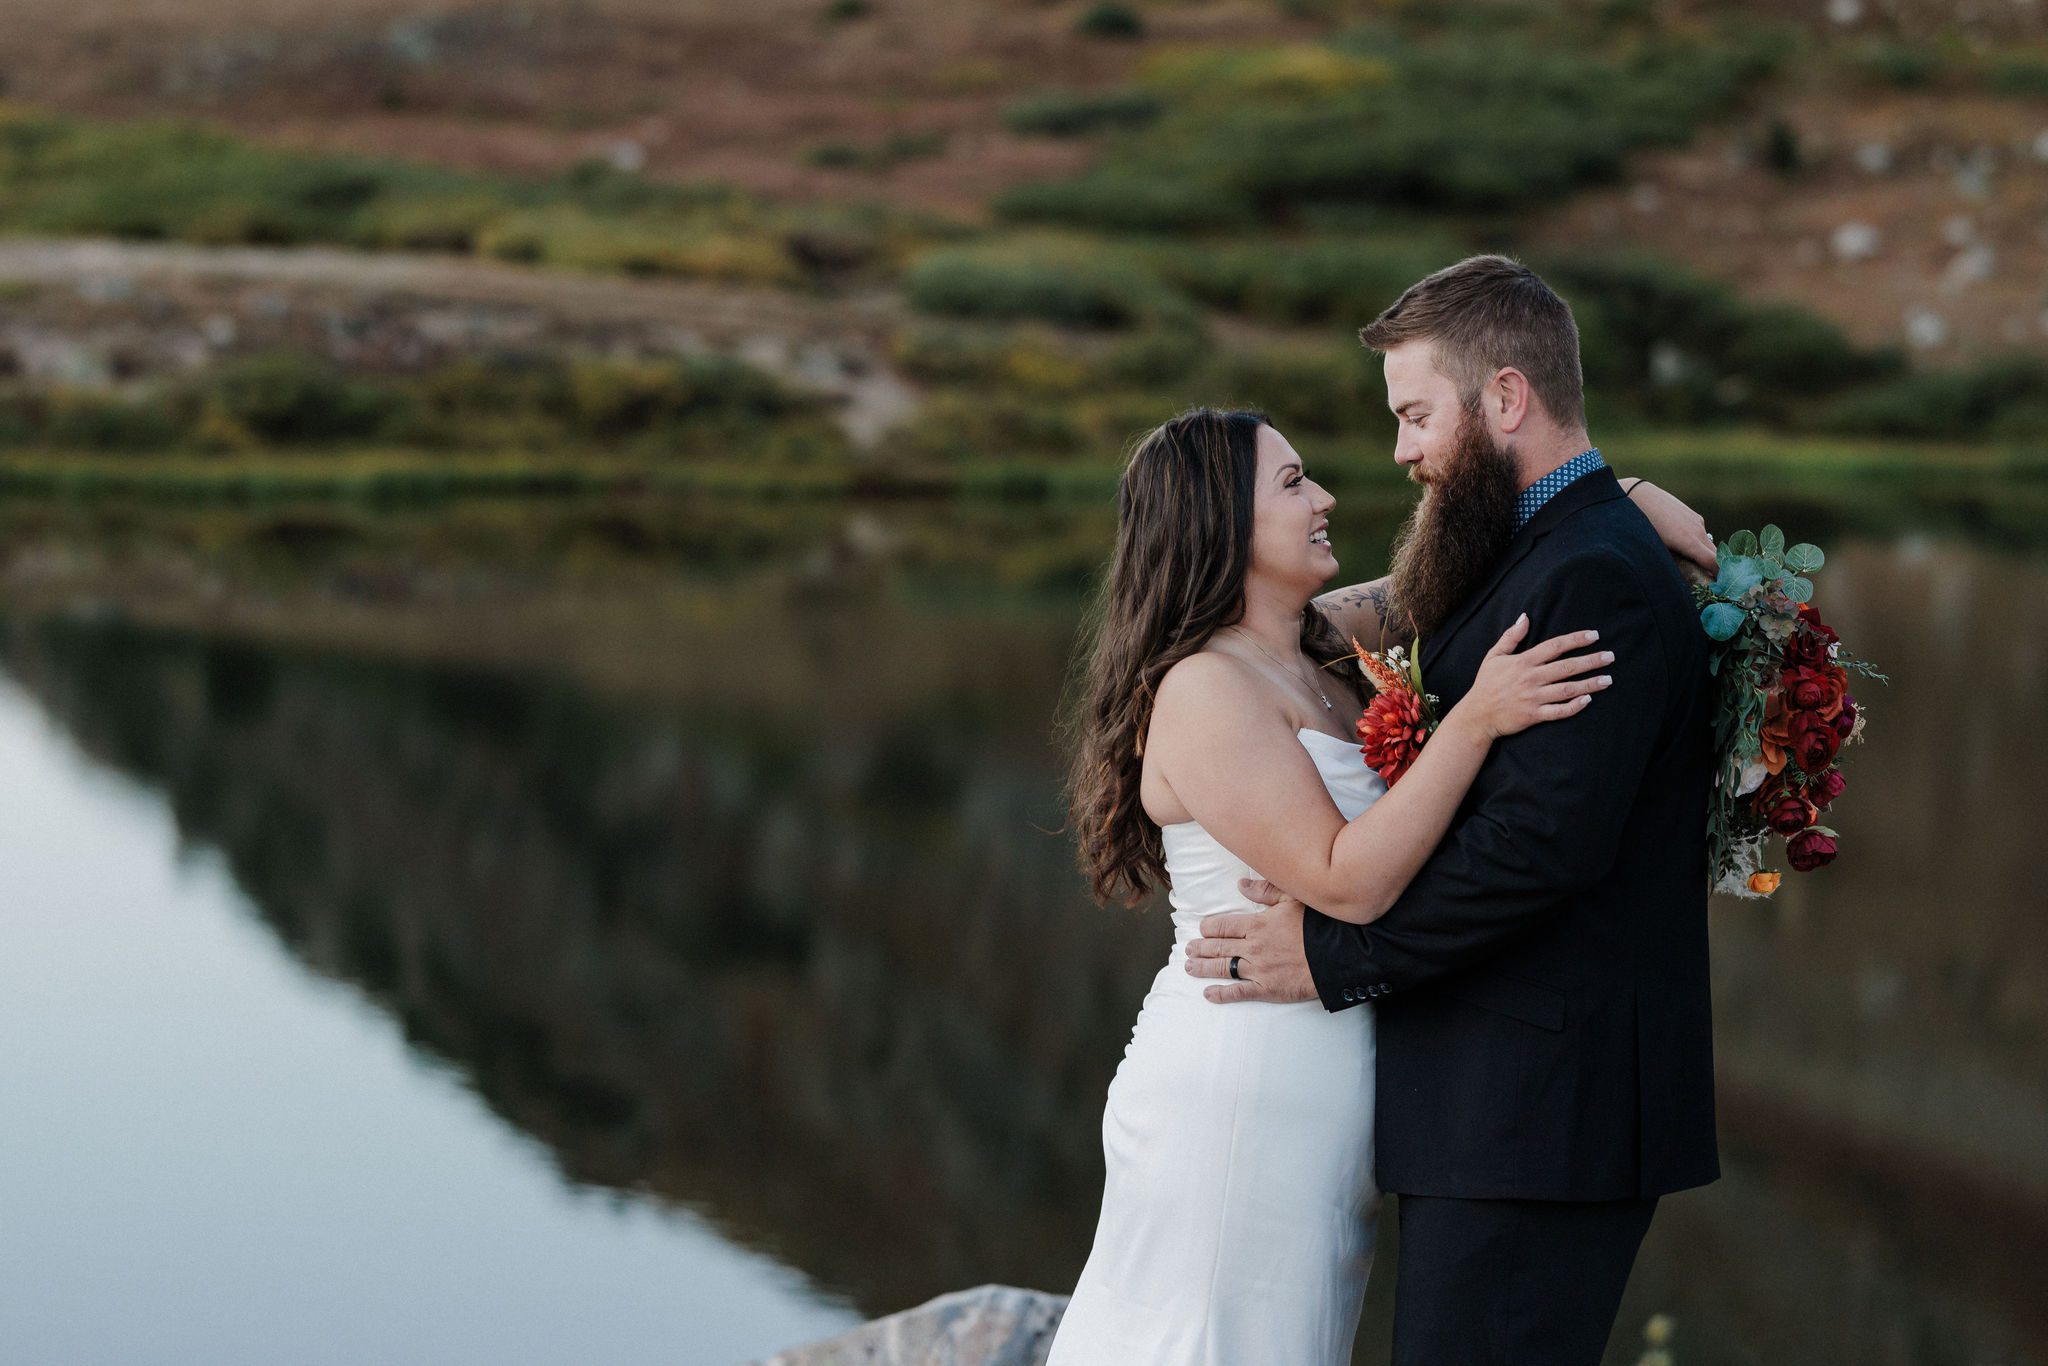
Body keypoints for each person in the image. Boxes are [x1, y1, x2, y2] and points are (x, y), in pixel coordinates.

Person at [1050, 322, 1717, 1359]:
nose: (1325, 500)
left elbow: (1470, 574)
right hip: (1242, 1071)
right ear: (1215, 524)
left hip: (1330, 1083)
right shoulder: (1202, 688)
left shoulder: (1321, 649)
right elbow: (1343, 882)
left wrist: (1616, 497)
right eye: (1291, 483)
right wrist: (1476, 719)